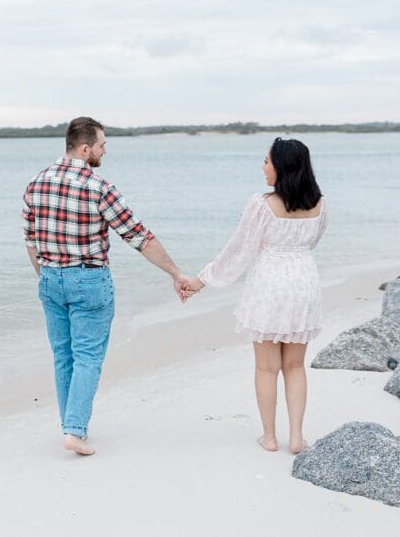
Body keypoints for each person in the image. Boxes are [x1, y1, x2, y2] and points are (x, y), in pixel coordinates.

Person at [23, 117, 193, 456]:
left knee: (63, 356)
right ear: (85, 149)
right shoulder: (98, 187)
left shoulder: (36, 183)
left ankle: (70, 424)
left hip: (50, 278)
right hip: (88, 278)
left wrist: (45, 275)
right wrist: (176, 273)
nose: (104, 152)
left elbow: (30, 240)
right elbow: (139, 237)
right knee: (87, 356)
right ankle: (74, 431)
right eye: (102, 146)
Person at [182, 137, 326, 454]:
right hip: (304, 282)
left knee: (266, 367)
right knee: (295, 366)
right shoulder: (319, 204)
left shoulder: (261, 204)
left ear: (282, 167)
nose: (262, 167)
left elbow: (238, 251)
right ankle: (297, 437)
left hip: (271, 284)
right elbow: (313, 241)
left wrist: (201, 280)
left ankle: (270, 437)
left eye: (266, 161)